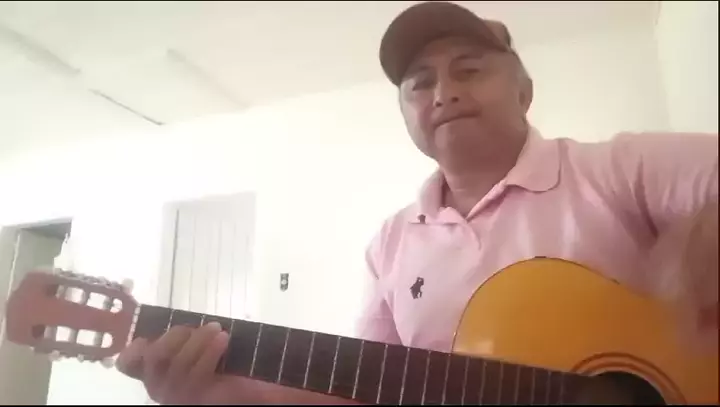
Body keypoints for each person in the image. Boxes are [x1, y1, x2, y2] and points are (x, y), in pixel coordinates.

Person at [116, 1, 718, 404]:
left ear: (525, 91)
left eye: (469, 70)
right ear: (406, 114)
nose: (444, 92)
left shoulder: (618, 167)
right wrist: (222, 394)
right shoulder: (391, 245)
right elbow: (360, 390)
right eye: (420, 83)